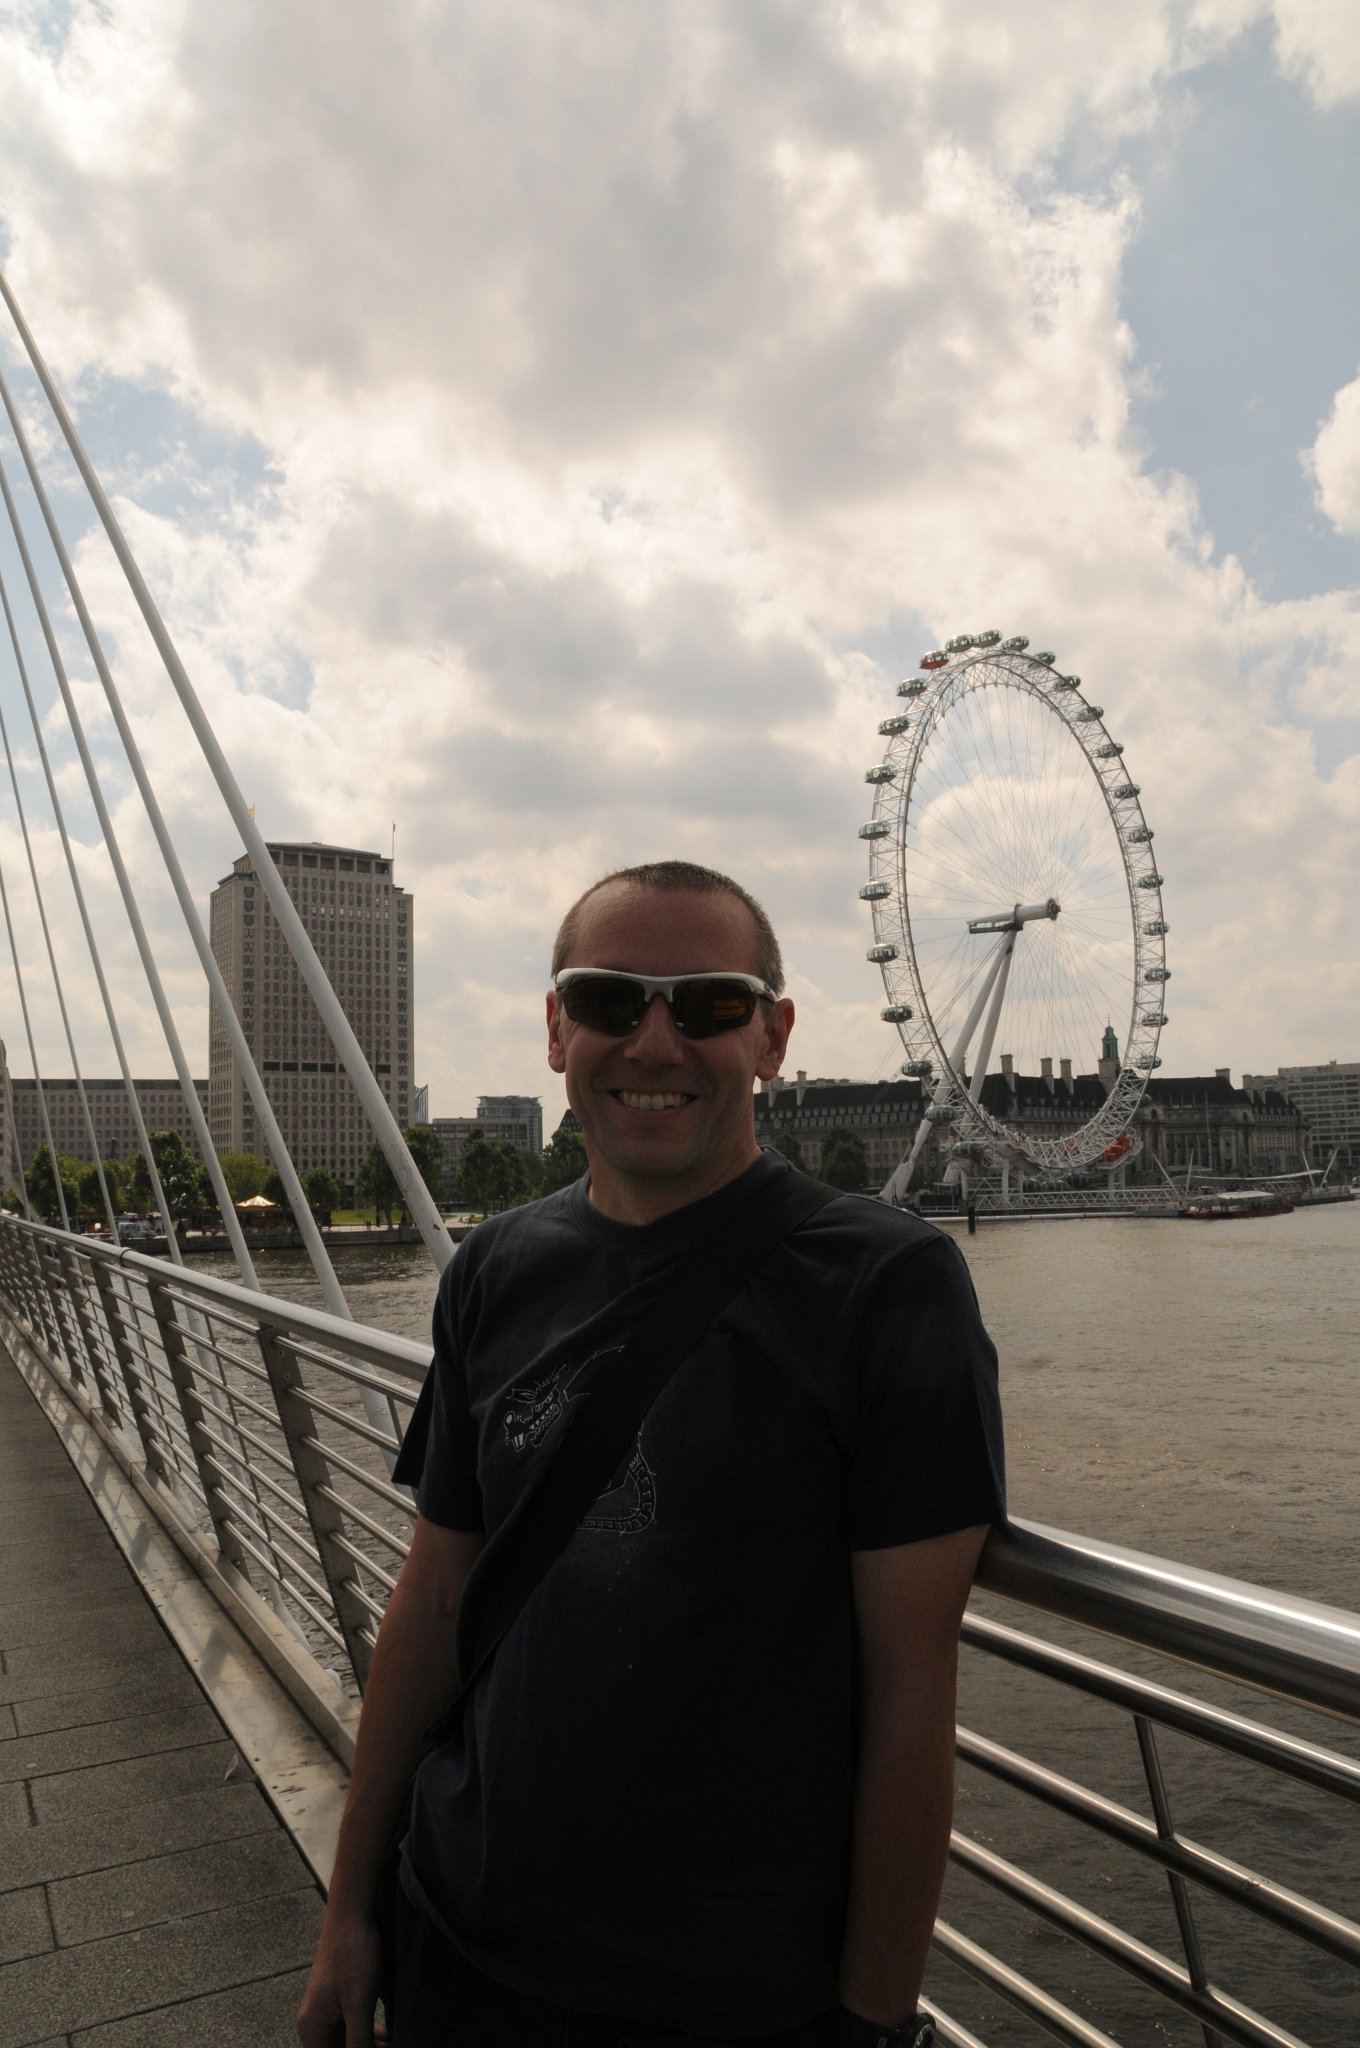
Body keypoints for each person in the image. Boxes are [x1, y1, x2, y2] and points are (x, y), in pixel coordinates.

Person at [298, 859, 1005, 2048]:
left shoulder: (886, 1283)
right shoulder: (493, 1268)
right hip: (459, 1931)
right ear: (556, 1030)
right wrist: (351, 1904)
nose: (657, 1041)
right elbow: (432, 1598)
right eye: (614, 1000)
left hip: (730, 1991)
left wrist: (872, 2011)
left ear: (773, 1037)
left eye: (711, 1004)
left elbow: (911, 1685)